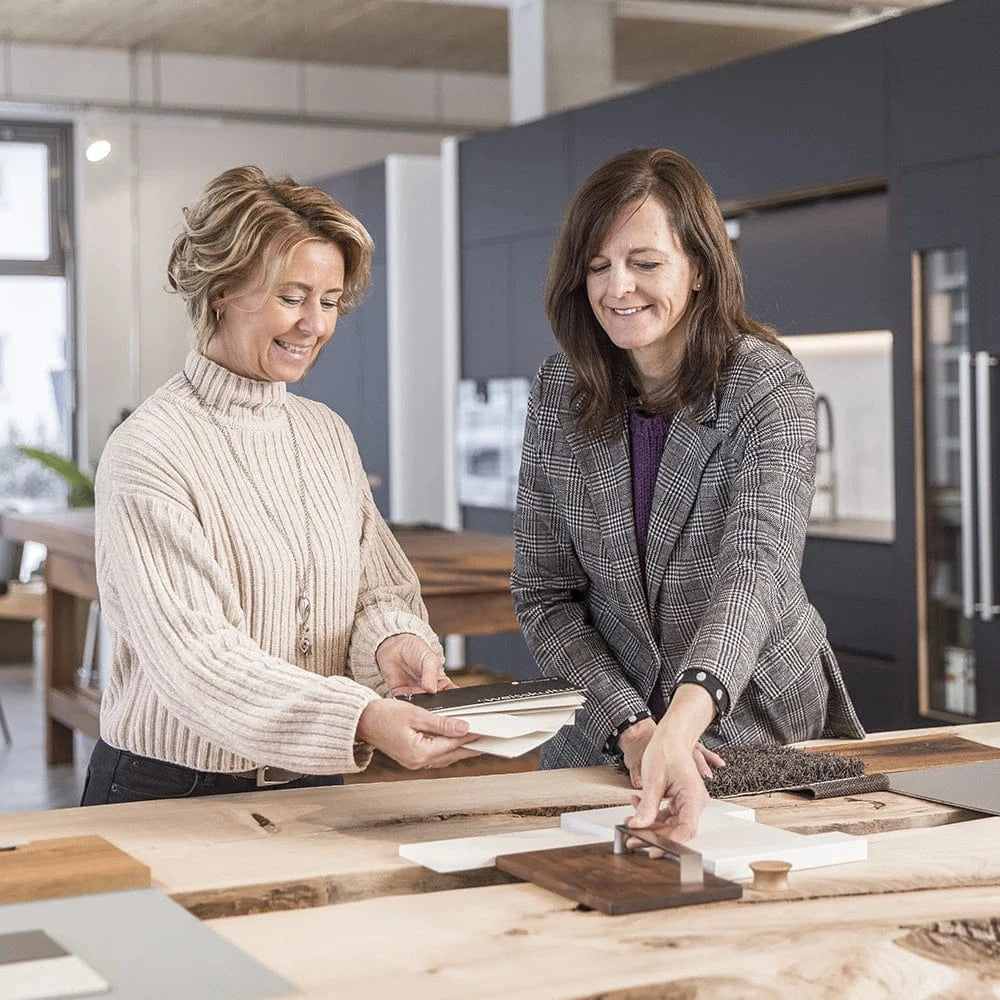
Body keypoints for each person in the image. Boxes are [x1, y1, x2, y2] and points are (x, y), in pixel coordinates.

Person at [82, 166, 478, 805]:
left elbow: (377, 589)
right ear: (219, 290)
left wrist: (393, 644)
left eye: (329, 302)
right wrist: (361, 718)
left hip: (313, 784)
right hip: (168, 794)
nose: (314, 326)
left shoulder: (325, 434)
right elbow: (198, 661)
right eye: (292, 297)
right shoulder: (149, 451)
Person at [511, 147, 864, 842]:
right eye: (598, 266)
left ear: (698, 268)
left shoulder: (765, 386)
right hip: (608, 731)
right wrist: (632, 725)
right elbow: (544, 594)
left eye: (646, 263)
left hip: (754, 718)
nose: (619, 288)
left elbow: (756, 573)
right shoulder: (561, 390)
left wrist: (683, 719)